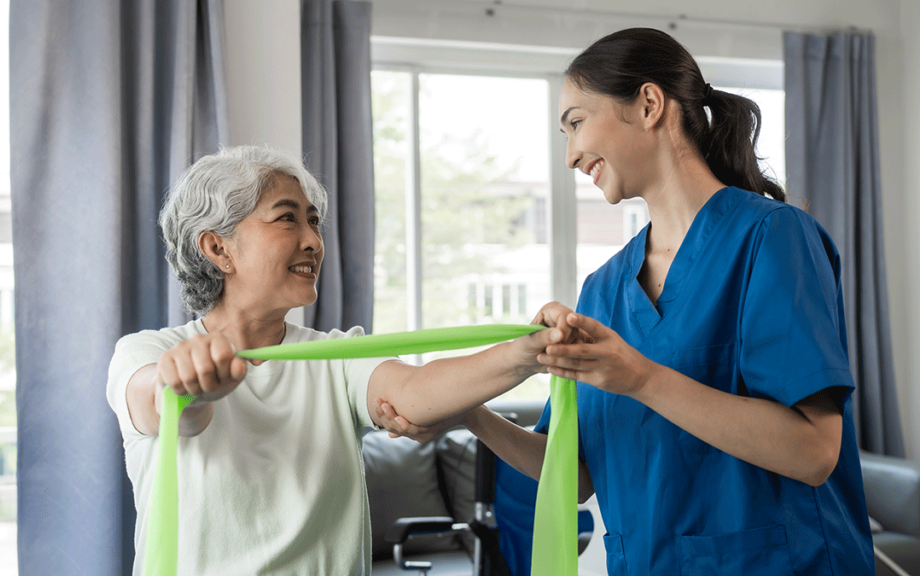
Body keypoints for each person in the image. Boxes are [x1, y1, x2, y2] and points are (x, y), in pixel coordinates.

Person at [378, 28, 875, 575]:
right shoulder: (603, 288)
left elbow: (813, 453)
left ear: (648, 104)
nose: (569, 155)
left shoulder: (772, 239)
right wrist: (470, 414)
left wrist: (640, 377)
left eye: (575, 122)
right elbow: (576, 476)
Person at [105, 145, 564, 576]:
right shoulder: (148, 352)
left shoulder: (339, 356)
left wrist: (525, 353)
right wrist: (190, 389)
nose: (313, 241)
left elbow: (418, 391)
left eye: (314, 221)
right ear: (218, 249)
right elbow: (161, 405)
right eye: (287, 220)